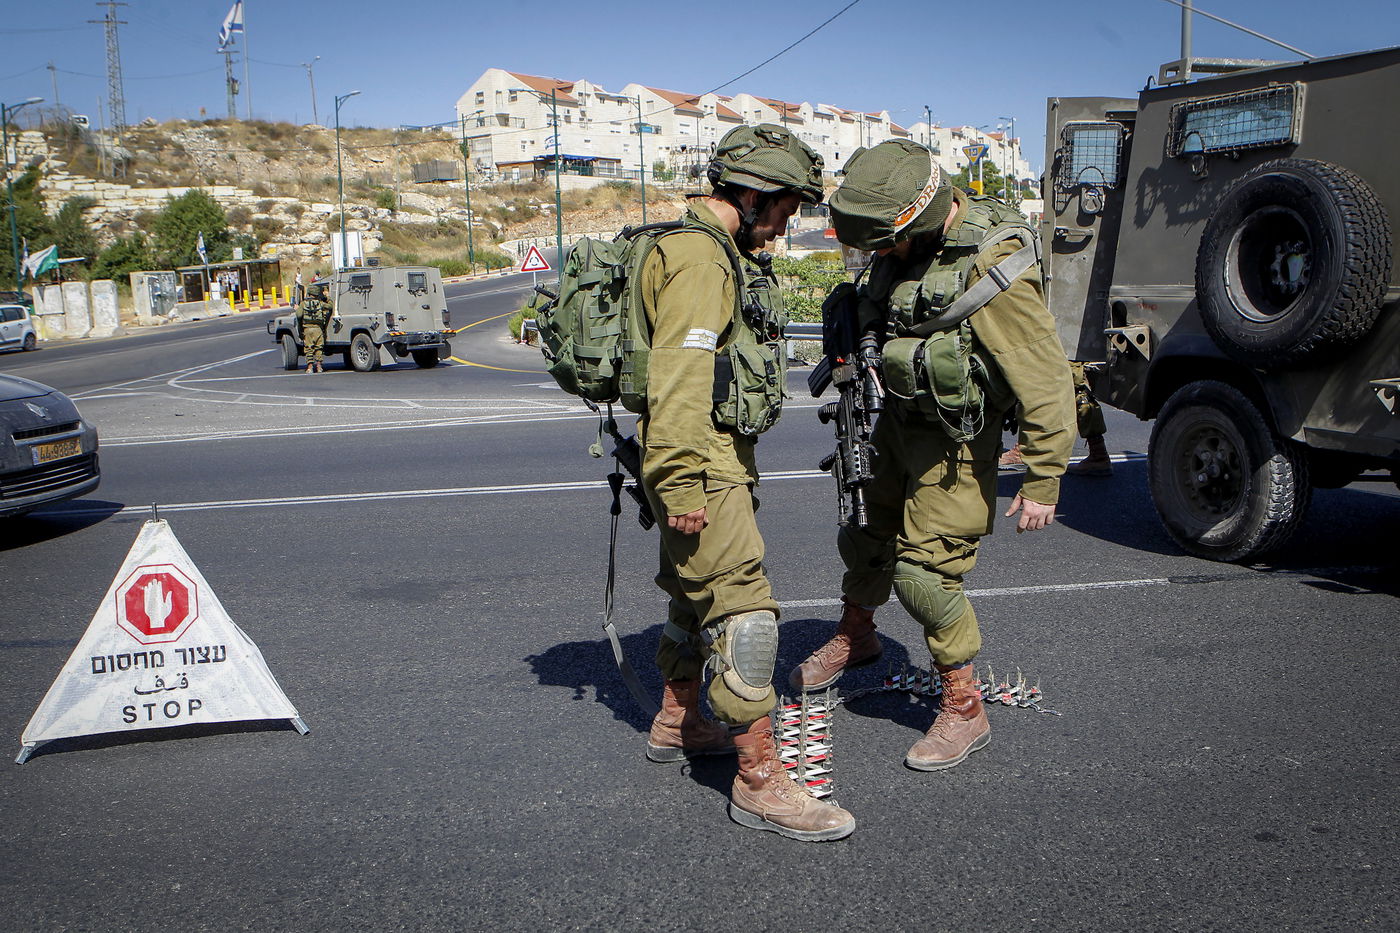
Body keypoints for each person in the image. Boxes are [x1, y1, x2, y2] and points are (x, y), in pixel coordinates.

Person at [790, 140, 1075, 772]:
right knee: (865, 530)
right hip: (888, 418)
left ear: (916, 218)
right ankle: (858, 633)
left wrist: (1044, 476)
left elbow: (1046, 379)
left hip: (953, 439)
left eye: (885, 243)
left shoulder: (987, 267)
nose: (879, 256)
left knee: (924, 573)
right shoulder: (901, 248)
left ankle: (964, 704)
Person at [638, 123, 854, 842]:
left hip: (694, 456)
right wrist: (682, 484)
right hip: (700, 461)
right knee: (745, 613)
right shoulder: (702, 261)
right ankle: (760, 779)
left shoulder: (693, 246)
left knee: (687, 596)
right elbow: (679, 380)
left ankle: (679, 717)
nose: (789, 224)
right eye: (787, 209)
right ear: (755, 195)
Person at [999, 361, 1112, 475]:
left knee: (1068, 384)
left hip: (1066, 348)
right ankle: (1098, 453)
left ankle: (1025, 450)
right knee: (1064, 384)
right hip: (1066, 347)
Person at [296, 282, 332, 374]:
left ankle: (310, 367)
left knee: (309, 348)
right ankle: (319, 366)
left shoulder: (303, 304)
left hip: (307, 329)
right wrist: (328, 298)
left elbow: (299, 315)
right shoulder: (320, 303)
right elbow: (330, 307)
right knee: (319, 348)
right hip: (318, 329)